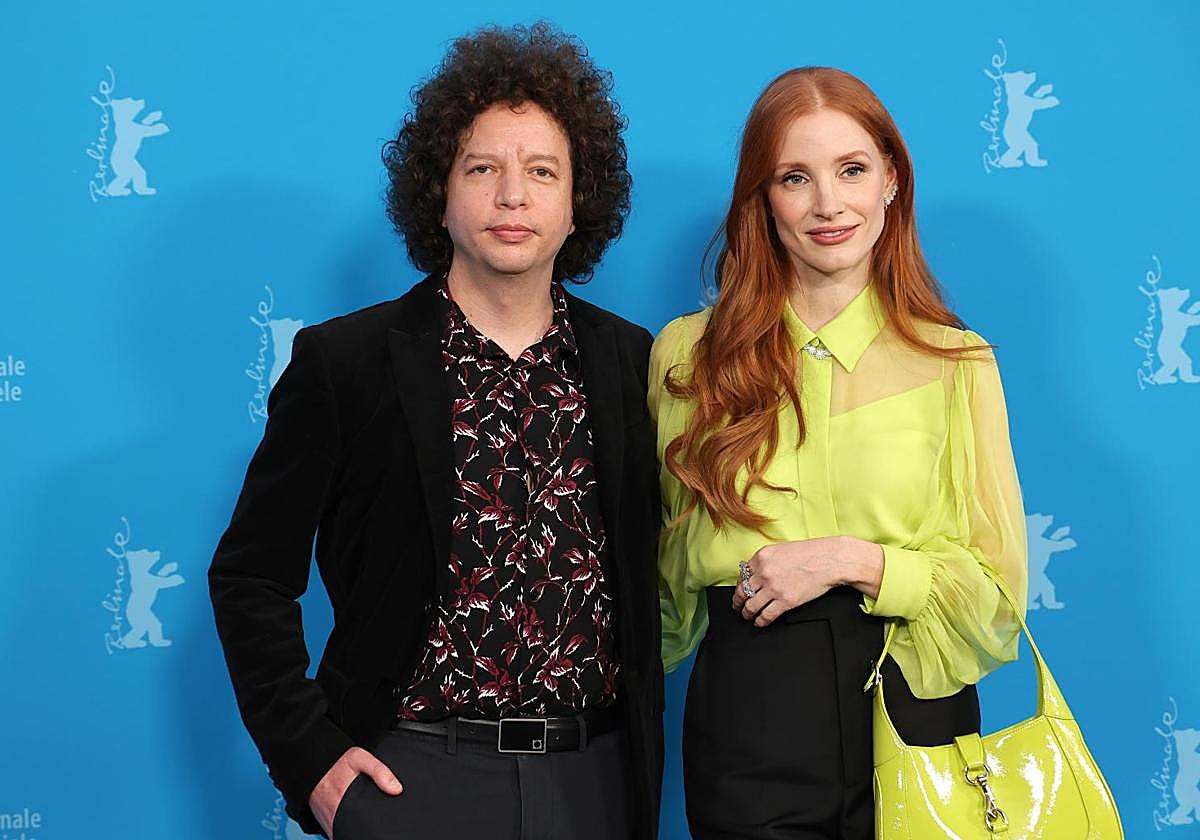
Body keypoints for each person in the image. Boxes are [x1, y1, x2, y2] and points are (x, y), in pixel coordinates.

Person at [209, 23, 663, 840]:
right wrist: (308, 759)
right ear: (440, 194)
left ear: (577, 201)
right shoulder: (345, 363)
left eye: (542, 171)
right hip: (409, 778)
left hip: (597, 782)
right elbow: (250, 579)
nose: (512, 196)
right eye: (482, 168)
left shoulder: (635, 365)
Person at [649, 67, 1028, 839]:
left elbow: (994, 600)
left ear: (891, 179)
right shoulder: (688, 357)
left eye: (852, 170)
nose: (828, 204)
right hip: (749, 719)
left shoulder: (957, 362)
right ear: (763, 197)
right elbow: (665, 581)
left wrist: (853, 560)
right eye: (796, 177)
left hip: (918, 712)